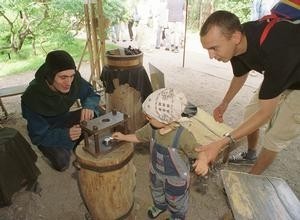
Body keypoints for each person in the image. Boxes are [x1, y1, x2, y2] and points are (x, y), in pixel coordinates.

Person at [198, 10, 300, 175]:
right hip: (279, 73)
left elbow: (266, 113)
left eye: (214, 48)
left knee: (275, 135)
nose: (211, 56)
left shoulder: (276, 49)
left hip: (296, 80)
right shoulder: (238, 43)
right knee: (250, 114)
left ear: (235, 38)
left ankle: (251, 180)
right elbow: (240, 74)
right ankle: (251, 154)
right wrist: (225, 103)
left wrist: (222, 142)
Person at [112, 88, 208, 220]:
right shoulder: (151, 128)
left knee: (175, 198)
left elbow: (200, 150)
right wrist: (124, 137)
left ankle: (178, 215)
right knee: (156, 190)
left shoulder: (183, 136)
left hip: (176, 177)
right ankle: (160, 205)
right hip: (156, 170)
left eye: (149, 117)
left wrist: (203, 160)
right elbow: (138, 137)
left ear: (165, 119)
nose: (146, 118)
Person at [21, 50, 101, 172]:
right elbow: (38, 135)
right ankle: (58, 147)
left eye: (71, 76)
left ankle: (75, 141)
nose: (68, 83)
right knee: (62, 162)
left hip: (64, 119)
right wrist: (65, 135)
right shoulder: (31, 96)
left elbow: (91, 94)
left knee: (93, 114)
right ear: (50, 76)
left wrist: (89, 105)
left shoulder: (74, 80)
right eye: (63, 77)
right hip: (46, 131)